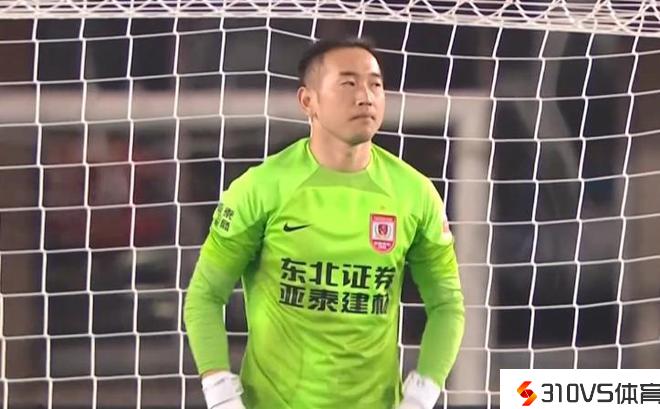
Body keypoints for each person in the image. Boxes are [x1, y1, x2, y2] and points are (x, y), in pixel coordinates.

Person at [184, 38, 465, 409]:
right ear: (308, 101)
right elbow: (205, 295)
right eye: (348, 83)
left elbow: (447, 305)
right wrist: (220, 393)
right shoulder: (261, 188)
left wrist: (421, 395)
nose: (365, 96)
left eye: (375, 84)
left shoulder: (415, 194)